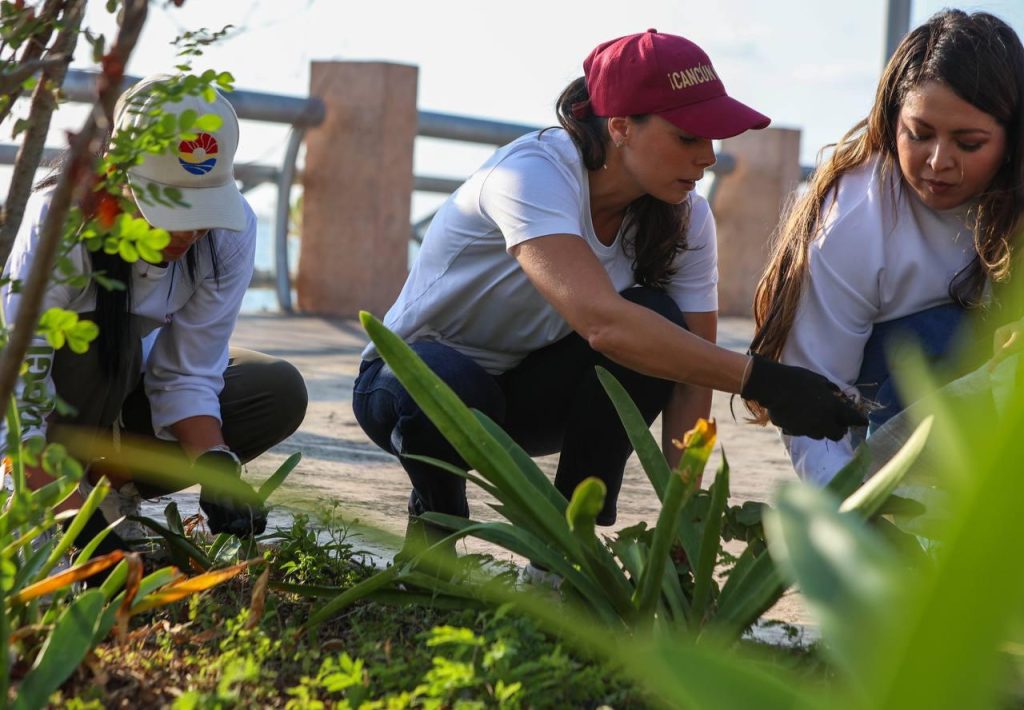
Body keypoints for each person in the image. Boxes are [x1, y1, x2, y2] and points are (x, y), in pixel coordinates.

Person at [352, 29, 865, 550]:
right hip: (407, 382)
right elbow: (601, 323)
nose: (708, 157)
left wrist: (681, 525)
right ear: (621, 127)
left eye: (712, 139)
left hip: (524, 395)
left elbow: (692, 372)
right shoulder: (532, 173)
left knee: (658, 321)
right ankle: (436, 535)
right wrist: (767, 382)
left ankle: (564, 547)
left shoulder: (686, 219)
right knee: (460, 382)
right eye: (688, 137)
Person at [1, 74, 308, 553]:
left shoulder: (230, 232)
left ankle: (109, 491)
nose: (191, 232)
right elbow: (16, 397)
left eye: (203, 209)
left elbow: (188, 372)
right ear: (119, 176)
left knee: (275, 389)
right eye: (171, 209)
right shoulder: (59, 224)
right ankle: (54, 508)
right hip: (39, 424)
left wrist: (216, 464)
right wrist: (67, 520)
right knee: (109, 337)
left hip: (119, 408)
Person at [748, 10, 1024, 486]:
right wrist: (850, 514)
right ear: (893, 118)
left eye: (970, 143)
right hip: (893, 422)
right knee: (937, 337)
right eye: (918, 134)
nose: (938, 162)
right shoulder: (854, 220)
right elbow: (814, 390)